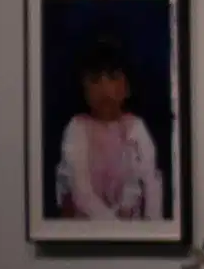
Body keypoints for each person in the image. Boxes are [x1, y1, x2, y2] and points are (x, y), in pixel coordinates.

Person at [48, 38, 163, 222]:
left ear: (127, 87)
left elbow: (151, 183)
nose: (104, 88)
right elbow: (82, 193)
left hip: (131, 227)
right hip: (86, 227)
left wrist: (153, 226)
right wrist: (114, 227)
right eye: (95, 80)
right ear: (82, 87)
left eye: (113, 77)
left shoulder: (136, 127)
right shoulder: (77, 128)